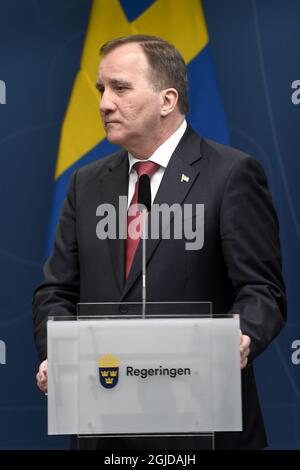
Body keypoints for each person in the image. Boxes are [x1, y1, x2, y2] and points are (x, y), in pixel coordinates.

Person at [33, 35, 286, 450]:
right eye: (101, 90)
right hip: (103, 425)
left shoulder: (231, 175)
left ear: (167, 100)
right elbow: (56, 290)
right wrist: (57, 354)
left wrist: (239, 338)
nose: (104, 104)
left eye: (120, 88)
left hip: (199, 425)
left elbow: (262, 291)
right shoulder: (86, 183)